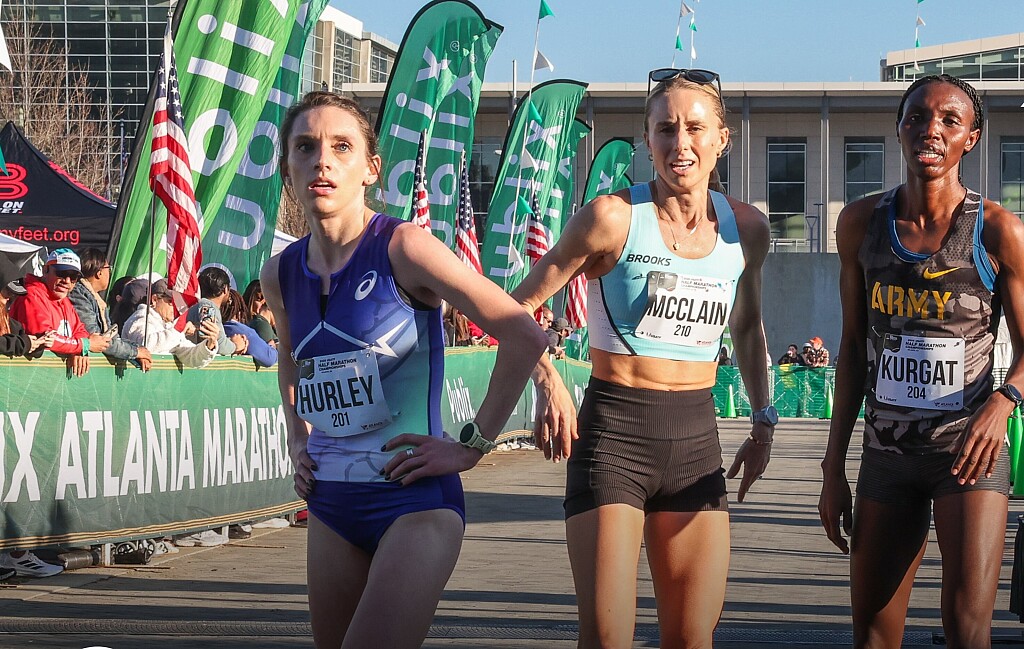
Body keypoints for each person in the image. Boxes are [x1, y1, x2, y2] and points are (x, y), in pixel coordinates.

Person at [260, 91, 546, 649]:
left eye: (341, 147)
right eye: (305, 147)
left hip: (414, 500)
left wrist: (472, 446)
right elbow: (292, 360)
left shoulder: (405, 247)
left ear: (370, 169)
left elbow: (523, 334)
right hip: (331, 504)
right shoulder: (280, 273)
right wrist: (298, 438)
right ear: (287, 168)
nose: (322, 161)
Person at [510, 68, 775, 648]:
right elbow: (516, 307)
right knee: (608, 638)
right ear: (648, 140)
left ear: (722, 139)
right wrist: (548, 380)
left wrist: (764, 420)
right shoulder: (612, 218)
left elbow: (747, 325)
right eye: (666, 130)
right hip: (615, 437)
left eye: (695, 129)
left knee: (692, 638)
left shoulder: (746, 229)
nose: (681, 144)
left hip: (697, 441)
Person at [818, 74, 1022, 649]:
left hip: (968, 455)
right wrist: (833, 466)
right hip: (887, 456)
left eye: (950, 120)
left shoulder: (997, 231)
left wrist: (1005, 401)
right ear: (900, 128)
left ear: (971, 139)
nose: (931, 129)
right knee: (873, 634)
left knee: (967, 631)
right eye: (918, 117)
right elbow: (852, 348)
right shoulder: (861, 223)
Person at [10, 248, 110, 377]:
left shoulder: (63, 299)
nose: (67, 281)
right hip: (22, 376)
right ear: (45, 270)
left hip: (47, 378)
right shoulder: (32, 295)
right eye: (62, 273)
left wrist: (79, 350)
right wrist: (84, 345)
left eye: (73, 277)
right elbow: (45, 338)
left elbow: (80, 330)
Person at [68, 248, 152, 372]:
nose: (110, 273)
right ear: (99, 273)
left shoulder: (94, 298)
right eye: (109, 268)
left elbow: (112, 338)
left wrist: (139, 351)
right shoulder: (78, 295)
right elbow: (99, 340)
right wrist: (135, 352)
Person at [121, 279, 220, 369]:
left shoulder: (169, 326)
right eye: (171, 301)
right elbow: (145, 346)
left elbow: (190, 356)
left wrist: (209, 345)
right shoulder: (141, 318)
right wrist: (178, 329)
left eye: (179, 302)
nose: (176, 307)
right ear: (154, 299)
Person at [186, 267, 249, 356]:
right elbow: (215, 343)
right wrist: (236, 345)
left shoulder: (195, 306)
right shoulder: (208, 307)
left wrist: (230, 341)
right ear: (225, 289)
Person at [221, 288, 278, 368]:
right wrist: (272, 347)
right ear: (240, 312)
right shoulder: (244, 332)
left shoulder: (210, 326)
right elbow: (269, 358)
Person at [0, 279, 52, 358]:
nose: (10, 297)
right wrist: (22, 344)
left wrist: (38, 343)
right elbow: (19, 344)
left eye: (14, 294)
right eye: (7, 291)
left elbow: (24, 343)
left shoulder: (13, 325)